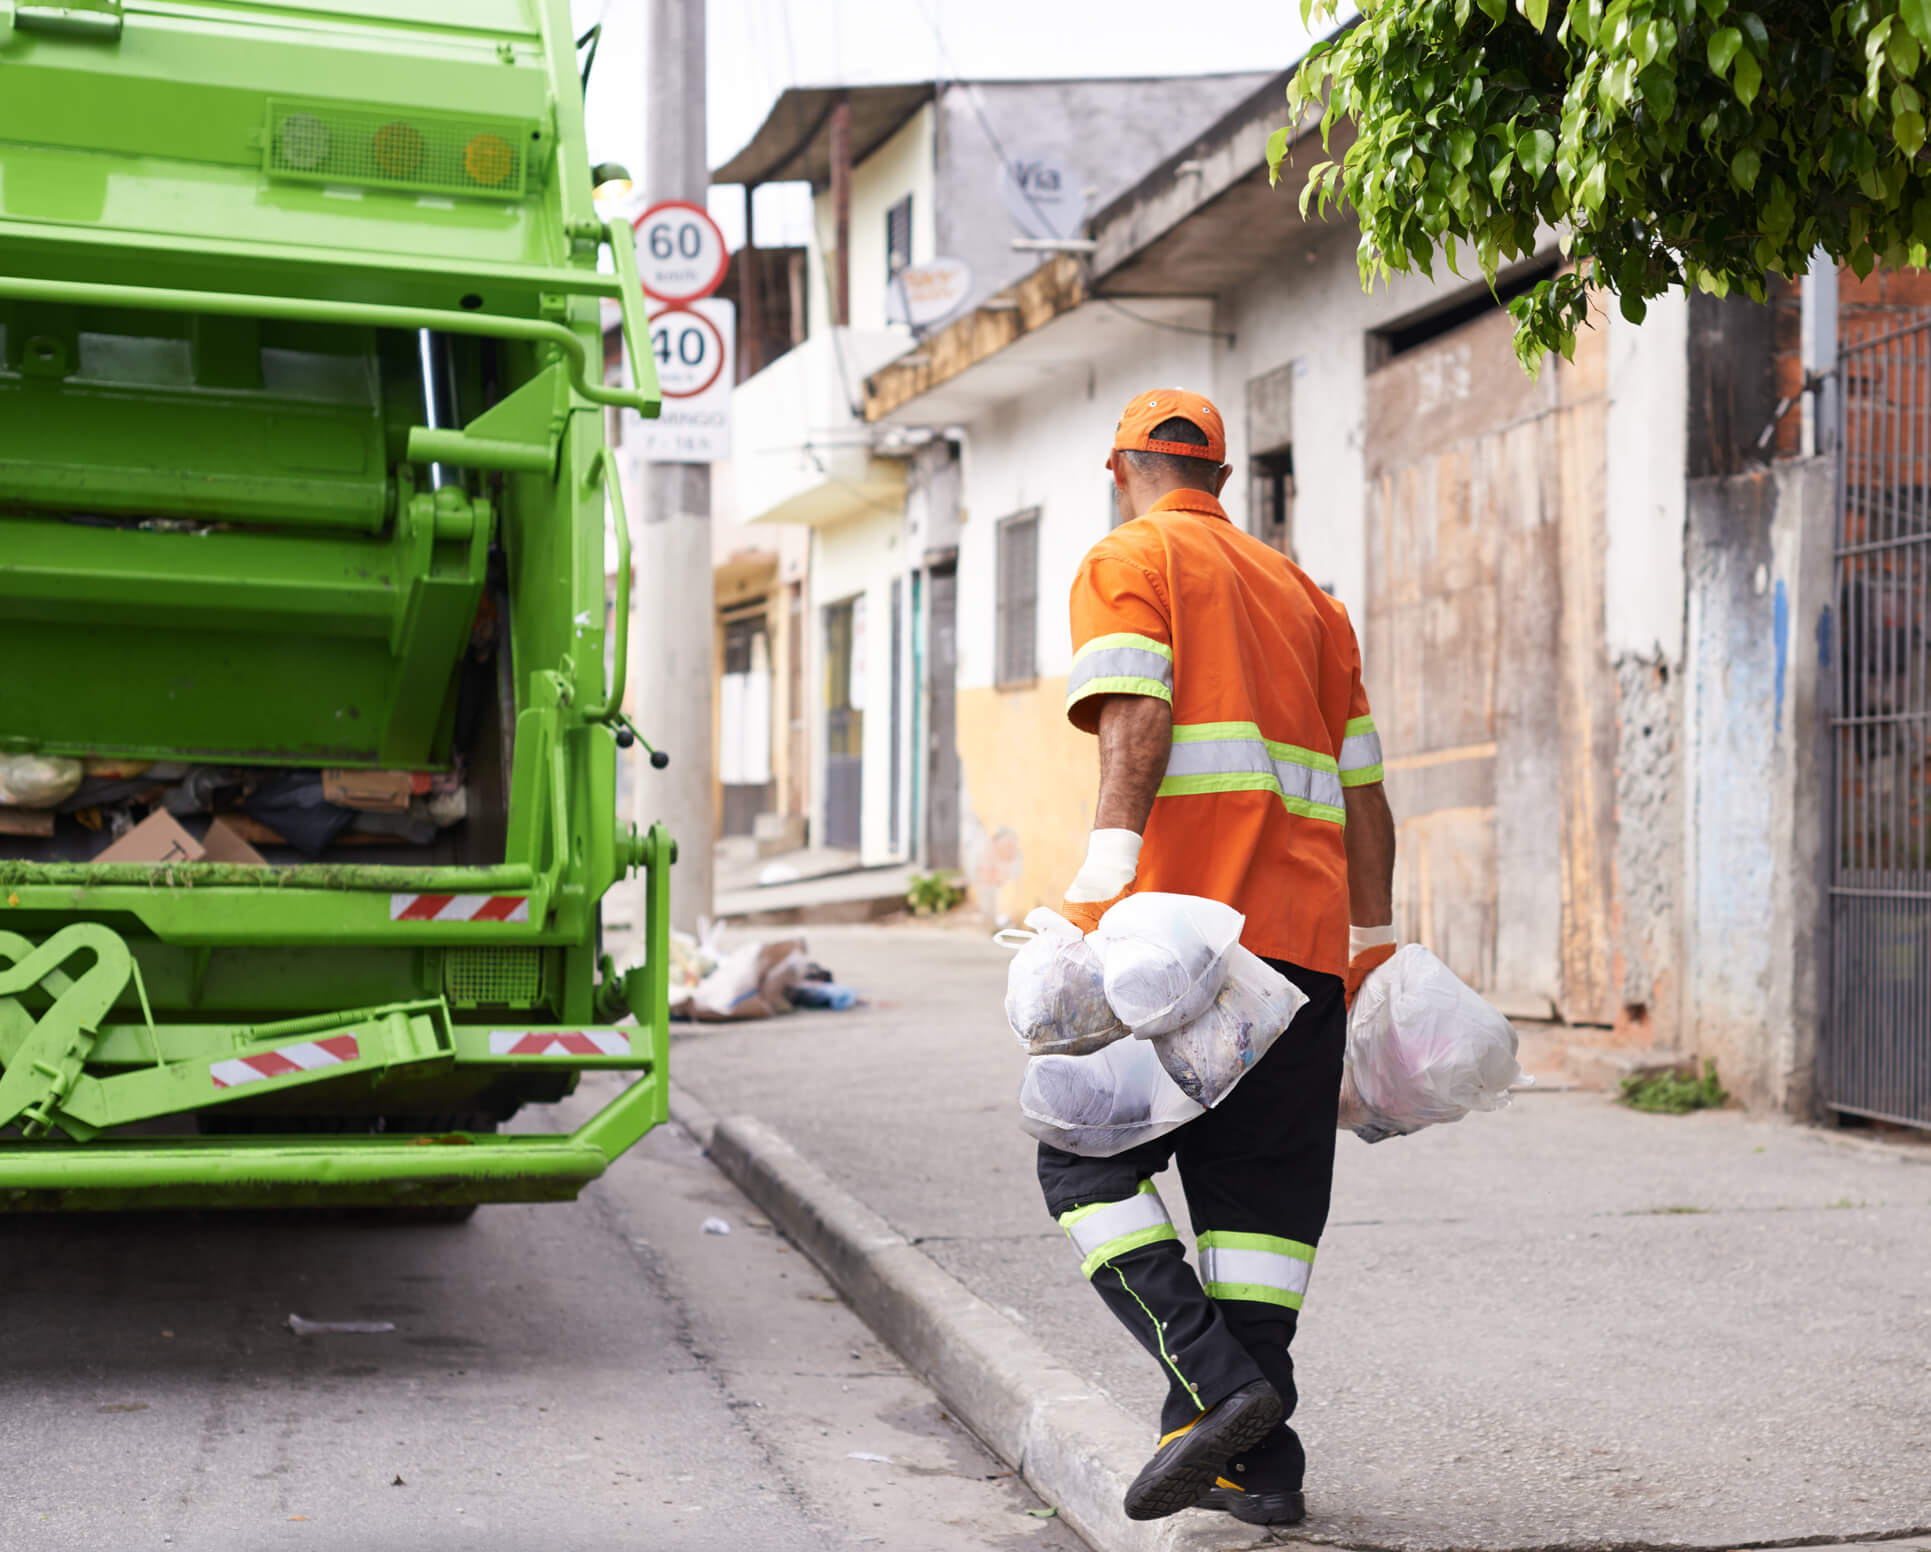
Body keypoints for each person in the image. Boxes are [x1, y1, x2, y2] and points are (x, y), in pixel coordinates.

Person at [1039, 388, 1397, 1526]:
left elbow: (1133, 711)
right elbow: (1364, 790)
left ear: (1118, 468)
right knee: (1259, 1214)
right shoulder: (1311, 600)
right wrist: (1374, 943)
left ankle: (1220, 1383)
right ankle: (1258, 1462)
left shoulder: (1126, 556)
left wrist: (1104, 866)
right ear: (1225, 481)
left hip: (1177, 952)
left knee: (1079, 1161)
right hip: (1303, 959)